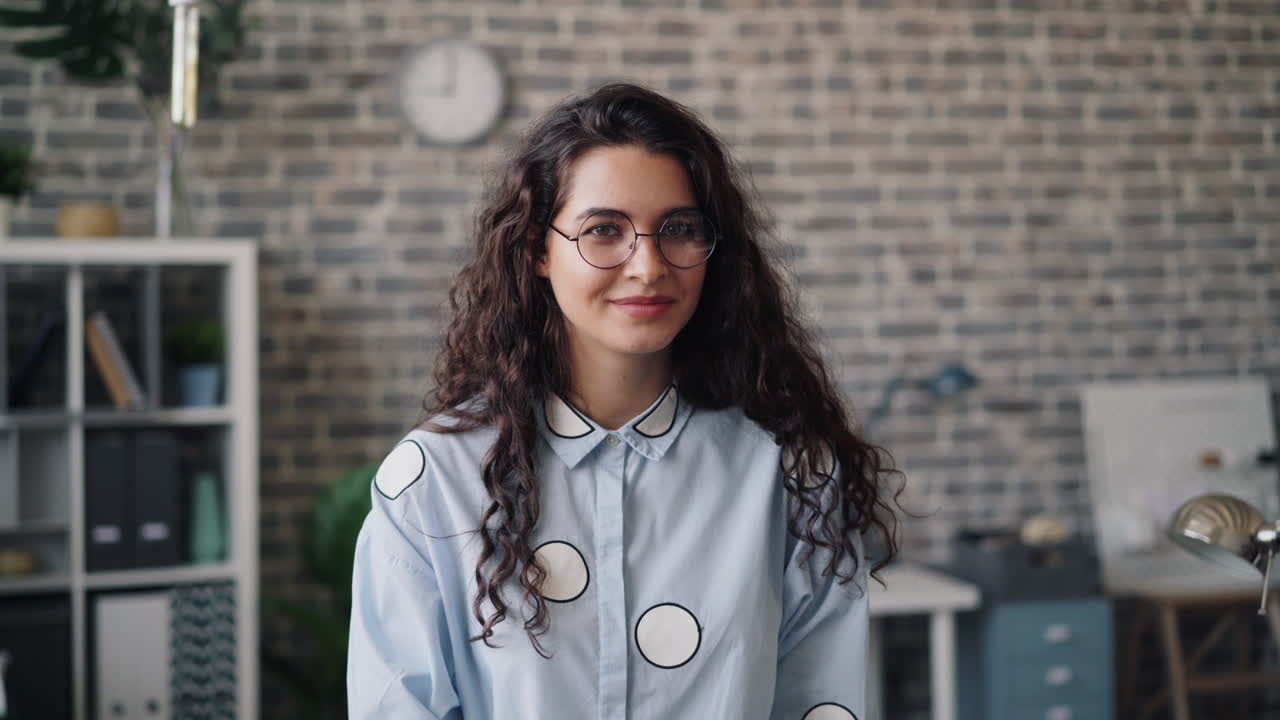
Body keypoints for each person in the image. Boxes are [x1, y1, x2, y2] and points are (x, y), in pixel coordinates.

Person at [347, 82, 902, 719]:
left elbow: (821, 703)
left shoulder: (789, 474)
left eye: (680, 229)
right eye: (605, 230)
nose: (648, 265)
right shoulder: (433, 481)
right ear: (537, 251)